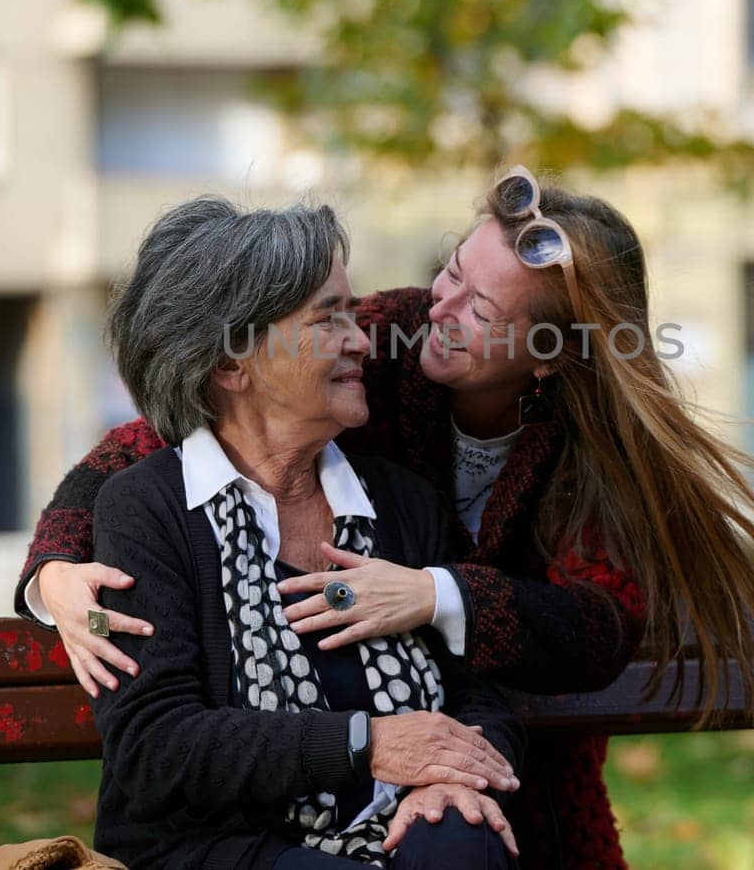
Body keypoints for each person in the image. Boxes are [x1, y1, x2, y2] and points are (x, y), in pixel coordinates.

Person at [21, 167, 754, 869]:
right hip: (291, 797)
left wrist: (440, 598)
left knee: (468, 834)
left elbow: (598, 627)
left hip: (507, 758)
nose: (443, 307)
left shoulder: (583, 451)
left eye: (482, 309)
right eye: (451, 272)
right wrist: (50, 573)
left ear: (548, 352)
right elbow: (171, 431)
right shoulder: (386, 339)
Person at [86, 197, 525, 869]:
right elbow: (155, 745)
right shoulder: (146, 509)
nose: (360, 339)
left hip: (392, 827)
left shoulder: (400, 500)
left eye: (351, 313)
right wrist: (366, 742)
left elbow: (477, 691)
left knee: (460, 837)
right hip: (216, 847)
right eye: (328, 320)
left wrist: (448, 774)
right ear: (233, 365)